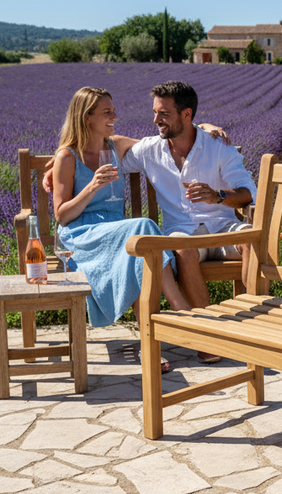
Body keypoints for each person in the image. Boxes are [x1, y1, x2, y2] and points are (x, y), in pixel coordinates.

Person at [120, 81, 256, 363]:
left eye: (164, 114)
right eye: (155, 112)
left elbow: (248, 193)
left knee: (252, 241)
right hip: (183, 233)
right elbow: (107, 146)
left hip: (223, 228)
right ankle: (208, 335)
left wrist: (218, 196)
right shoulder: (149, 149)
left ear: (186, 114)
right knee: (183, 249)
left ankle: (253, 331)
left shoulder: (218, 147)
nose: (156, 120)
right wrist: (61, 161)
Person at [51, 86, 193, 334]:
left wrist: (206, 128)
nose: (115, 117)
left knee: (139, 251)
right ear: (87, 117)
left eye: (114, 110)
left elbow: (163, 143)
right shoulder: (68, 157)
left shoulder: (114, 146)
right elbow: (62, 216)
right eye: (107, 112)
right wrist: (92, 186)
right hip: (84, 234)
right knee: (143, 229)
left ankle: (149, 341)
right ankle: (180, 307)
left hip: (117, 232)